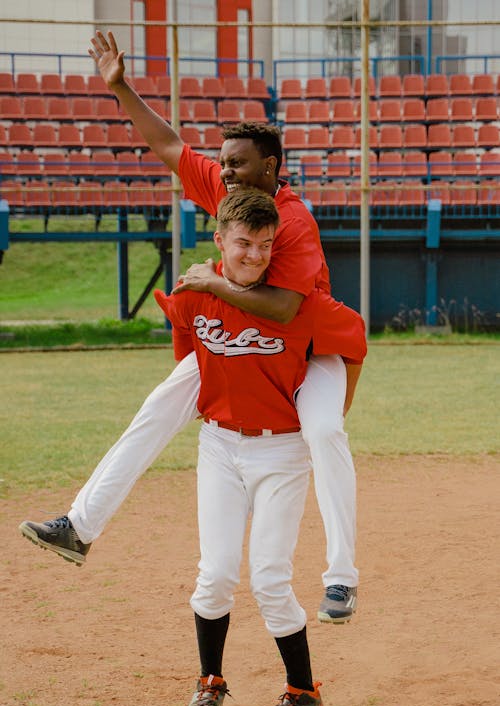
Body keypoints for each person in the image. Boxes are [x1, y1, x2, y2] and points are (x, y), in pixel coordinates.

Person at [19, 30, 363, 624]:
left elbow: (283, 308)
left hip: (307, 348)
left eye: (239, 164)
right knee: (158, 407)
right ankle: (79, 526)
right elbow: (168, 144)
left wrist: (206, 282)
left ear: (271, 168)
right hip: (240, 342)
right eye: (224, 163)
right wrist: (120, 87)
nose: (225, 173)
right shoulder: (228, 192)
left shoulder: (294, 220)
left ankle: (341, 576)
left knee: (325, 431)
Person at [151, 188, 365, 706]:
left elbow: (355, 339)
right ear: (220, 241)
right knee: (216, 573)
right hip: (220, 447)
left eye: (265, 245)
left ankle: (304, 694)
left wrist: (333, 412)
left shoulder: (297, 305)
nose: (253, 254)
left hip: (281, 450)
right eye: (243, 242)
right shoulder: (197, 291)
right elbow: (186, 339)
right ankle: (209, 684)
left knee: (270, 575)